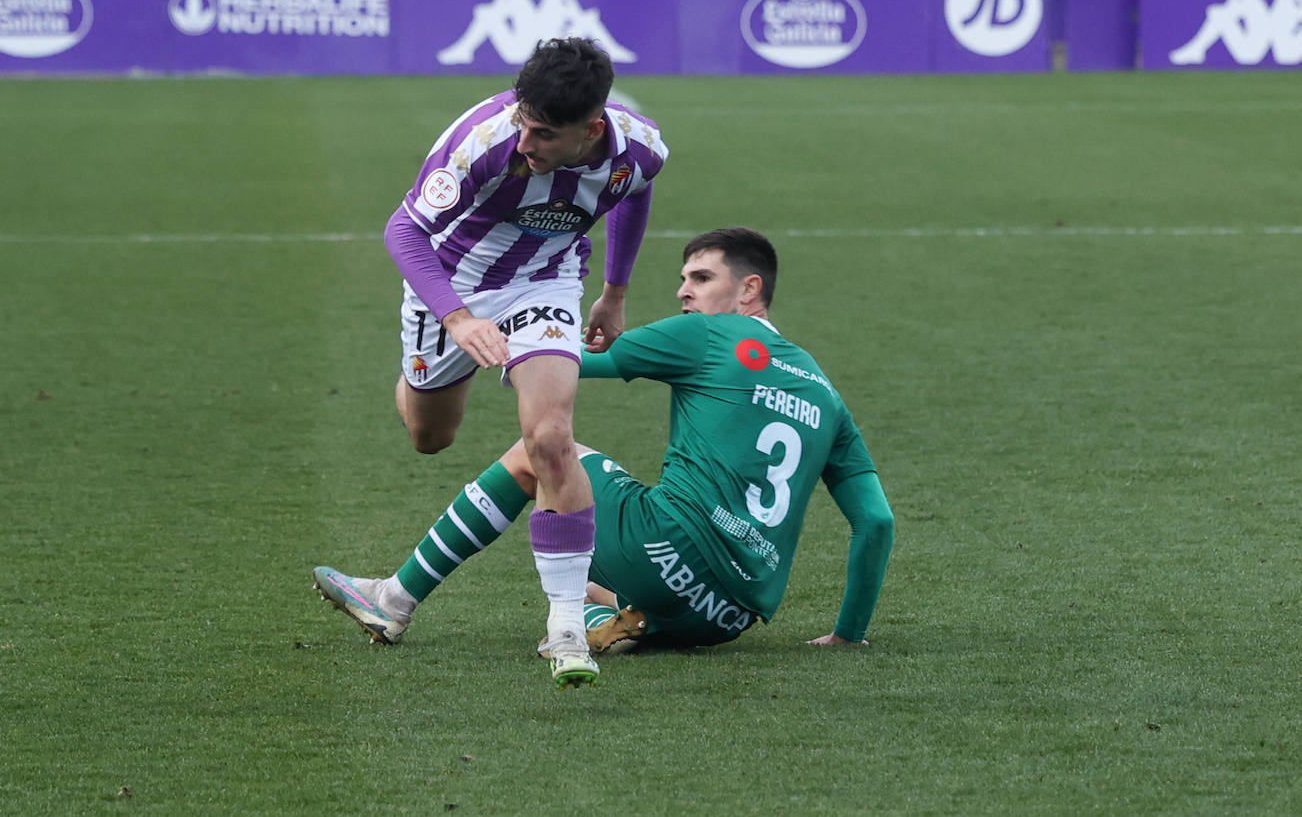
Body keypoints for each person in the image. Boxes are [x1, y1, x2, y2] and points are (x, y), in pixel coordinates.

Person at [313, 229, 895, 683]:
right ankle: (614, 619)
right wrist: (848, 634)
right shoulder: (826, 393)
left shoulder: (713, 334)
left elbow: (575, 360)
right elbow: (875, 521)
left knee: (541, 457)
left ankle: (393, 598)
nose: (683, 291)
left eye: (700, 277)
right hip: (725, 618)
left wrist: (476, 343)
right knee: (579, 550)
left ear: (749, 290)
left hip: (665, 553)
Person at [313, 37, 667, 689]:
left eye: (543, 133)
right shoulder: (484, 143)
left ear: (591, 129)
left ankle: (566, 629)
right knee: (431, 435)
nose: (525, 140)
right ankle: (429, 375)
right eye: (523, 121)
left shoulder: (640, 149)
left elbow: (635, 191)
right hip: (450, 283)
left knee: (550, 437)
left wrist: (614, 290)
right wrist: (458, 319)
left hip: (546, 284)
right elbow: (404, 232)